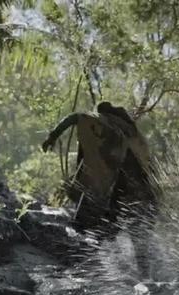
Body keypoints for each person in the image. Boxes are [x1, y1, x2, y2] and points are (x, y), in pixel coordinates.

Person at [42, 102, 160, 278]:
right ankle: (144, 278)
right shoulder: (134, 136)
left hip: (124, 194)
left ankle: (86, 268)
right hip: (143, 197)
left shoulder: (105, 122)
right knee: (136, 238)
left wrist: (52, 136)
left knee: (96, 230)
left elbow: (75, 117)